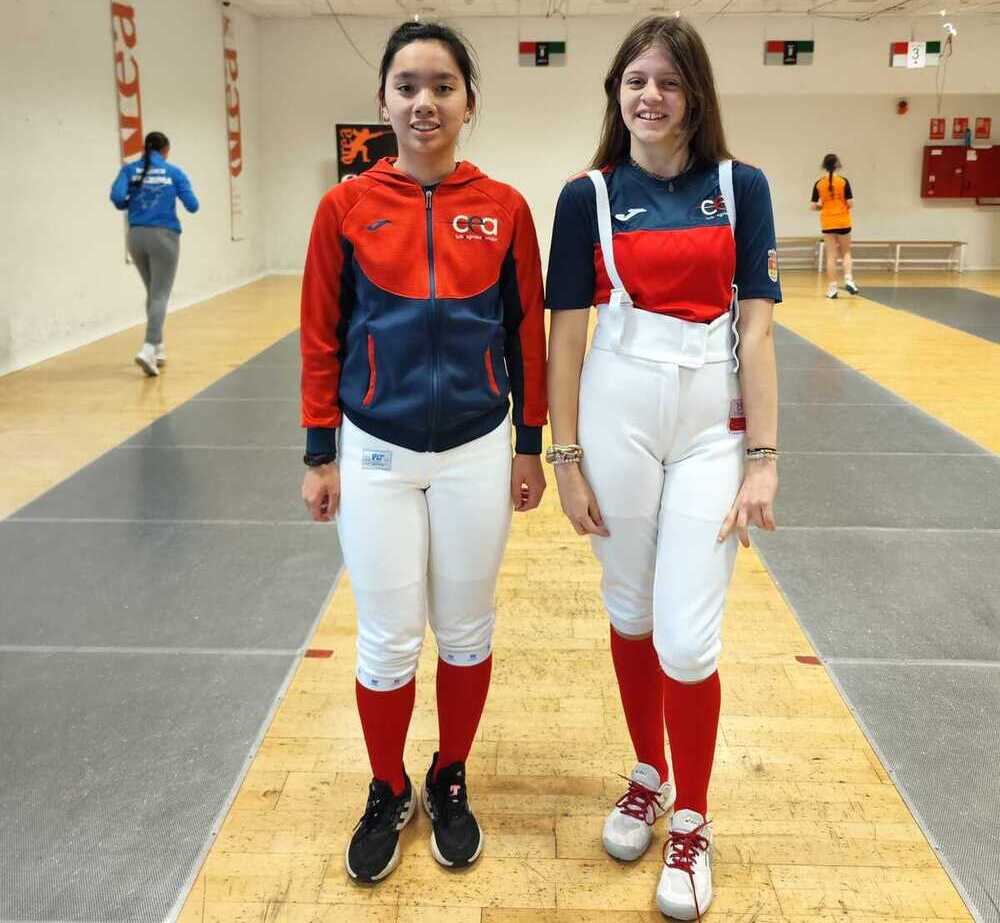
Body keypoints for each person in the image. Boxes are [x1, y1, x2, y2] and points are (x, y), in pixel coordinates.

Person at [299, 21, 547, 884]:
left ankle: (448, 776)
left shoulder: (507, 207)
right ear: (382, 103)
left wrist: (529, 443)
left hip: (479, 449)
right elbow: (321, 337)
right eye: (407, 86)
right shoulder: (345, 208)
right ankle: (387, 783)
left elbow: (526, 336)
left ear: (468, 102)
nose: (424, 101)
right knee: (388, 640)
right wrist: (318, 451)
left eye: (442, 85)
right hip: (375, 450)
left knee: (468, 631)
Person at [545, 16, 779, 920]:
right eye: (634, 80)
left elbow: (756, 328)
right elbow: (566, 337)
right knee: (632, 610)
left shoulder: (740, 185)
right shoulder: (586, 196)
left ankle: (692, 819)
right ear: (616, 91)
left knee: (687, 636)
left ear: (696, 97)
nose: (649, 96)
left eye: (668, 83)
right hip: (617, 405)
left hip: (713, 419)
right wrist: (565, 457)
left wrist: (762, 456)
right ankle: (647, 773)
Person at [109, 131, 199, 375]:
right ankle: (148, 348)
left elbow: (117, 197)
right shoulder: (174, 172)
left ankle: (158, 346)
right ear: (166, 150)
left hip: (136, 236)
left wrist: (132, 203)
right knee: (160, 294)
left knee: (152, 291)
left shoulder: (130, 170)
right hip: (164, 237)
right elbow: (193, 206)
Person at [811, 153, 857, 298]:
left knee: (831, 255)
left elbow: (814, 206)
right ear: (837, 165)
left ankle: (832, 288)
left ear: (824, 165)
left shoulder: (819, 183)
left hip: (828, 223)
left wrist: (823, 206)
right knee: (846, 253)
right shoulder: (843, 182)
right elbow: (850, 203)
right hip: (843, 221)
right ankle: (849, 279)